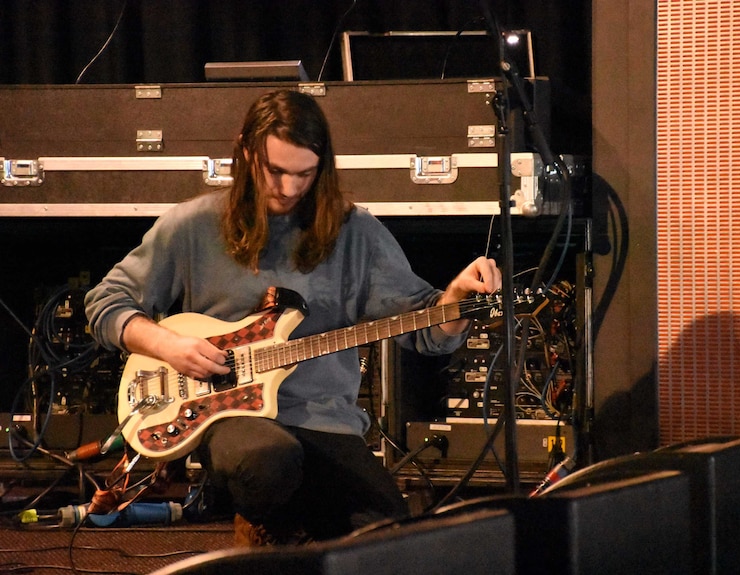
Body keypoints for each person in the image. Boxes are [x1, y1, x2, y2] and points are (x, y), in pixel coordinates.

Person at [84, 88, 501, 546]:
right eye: (275, 171)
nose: (287, 189)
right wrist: (169, 346)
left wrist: (456, 302)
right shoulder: (193, 225)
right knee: (269, 461)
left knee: (388, 539)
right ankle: (265, 520)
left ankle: (290, 527)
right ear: (245, 151)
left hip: (326, 422)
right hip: (230, 416)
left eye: (304, 174)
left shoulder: (355, 232)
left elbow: (426, 331)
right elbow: (106, 302)